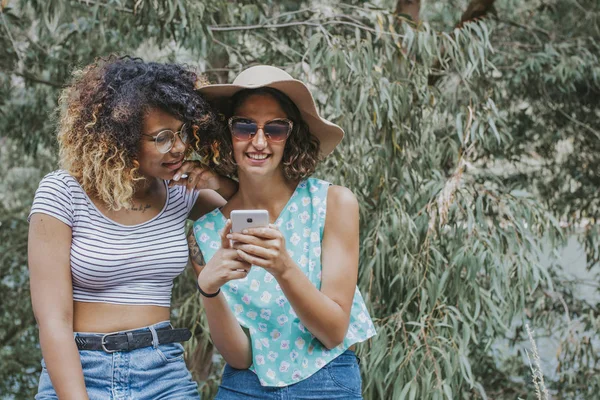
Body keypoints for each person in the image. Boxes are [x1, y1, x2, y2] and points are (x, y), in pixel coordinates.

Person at [28, 56, 237, 399]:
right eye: (163, 137)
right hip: (79, 370)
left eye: (182, 133)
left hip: (162, 374)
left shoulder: (180, 192)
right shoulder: (63, 193)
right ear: (119, 138)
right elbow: (53, 321)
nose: (180, 147)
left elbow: (252, 215)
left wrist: (219, 183)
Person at [187, 65, 376, 399]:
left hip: (326, 379)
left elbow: (332, 332)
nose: (259, 141)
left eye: (275, 129)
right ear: (227, 134)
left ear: (292, 137)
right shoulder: (207, 230)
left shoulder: (332, 203)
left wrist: (284, 267)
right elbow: (240, 356)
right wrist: (209, 291)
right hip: (244, 385)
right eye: (244, 126)